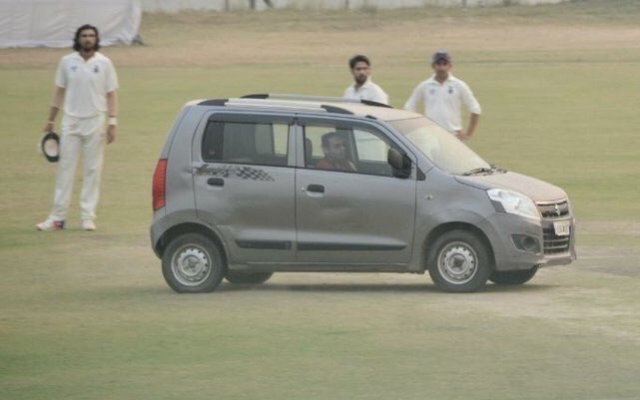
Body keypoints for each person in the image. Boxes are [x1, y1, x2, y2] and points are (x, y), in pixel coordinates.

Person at [36, 24, 119, 232]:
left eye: (91, 35)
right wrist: (51, 120)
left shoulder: (105, 63)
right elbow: (59, 92)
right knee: (65, 169)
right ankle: (57, 218)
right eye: (84, 36)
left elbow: (111, 94)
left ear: (96, 39)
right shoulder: (67, 62)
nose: (88, 39)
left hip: (96, 122)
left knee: (93, 170)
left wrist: (112, 122)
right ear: (78, 39)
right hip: (71, 121)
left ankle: (87, 217)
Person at [404, 50, 481, 141]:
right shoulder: (425, 86)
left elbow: (476, 109)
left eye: (444, 64)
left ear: (450, 66)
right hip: (431, 133)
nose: (442, 67)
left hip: (453, 134)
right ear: (433, 66)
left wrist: (468, 134)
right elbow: (409, 106)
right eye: (439, 64)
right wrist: (416, 128)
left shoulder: (459, 85)